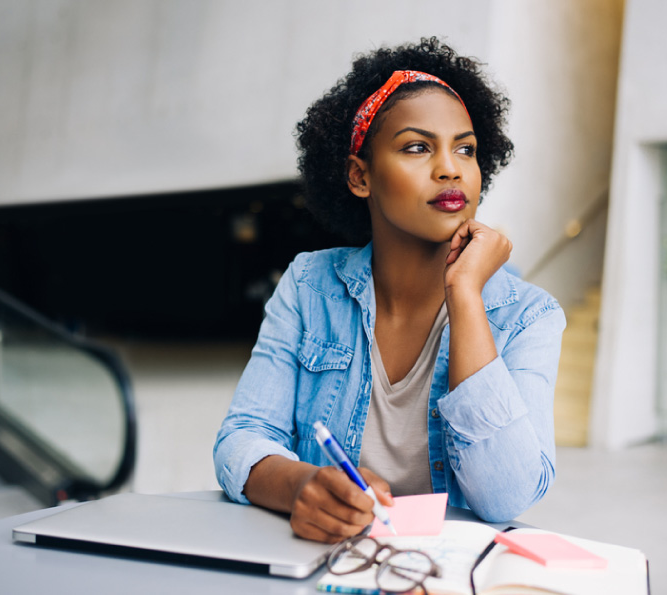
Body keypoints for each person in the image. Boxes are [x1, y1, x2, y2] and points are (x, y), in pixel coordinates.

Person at [214, 37, 566, 544]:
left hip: (447, 572)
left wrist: (466, 296)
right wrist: (301, 486)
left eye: (465, 149)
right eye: (417, 147)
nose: (450, 168)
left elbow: (505, 497)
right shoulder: (310, 286)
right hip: (327, 562)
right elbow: (242, 437)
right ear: (360, 176)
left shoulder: (530, 315)